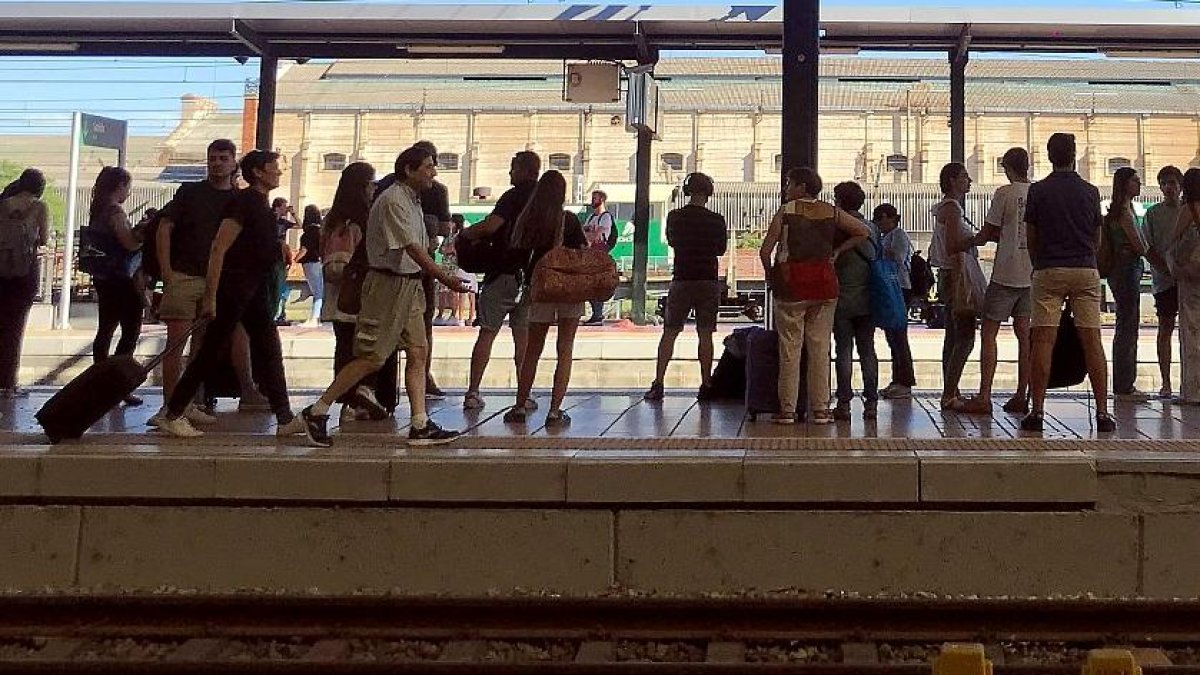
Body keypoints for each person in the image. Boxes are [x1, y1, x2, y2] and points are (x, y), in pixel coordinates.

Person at [298, 146, 470, 447]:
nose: (434, 172)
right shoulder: (393, 201)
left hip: (409, 284)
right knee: (372, 358)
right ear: (409, 170)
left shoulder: (411, 199)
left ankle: (420, 424)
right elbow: (413, 248)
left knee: (418, 352)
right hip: (388, 285)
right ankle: (317, 410)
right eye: (428, 166)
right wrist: (444, 277)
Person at [155, 150, 305, 439]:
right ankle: (172, 412)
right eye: (274, 167)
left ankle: (284, 416)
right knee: (210, 351)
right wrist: (211, 296)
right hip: (234, 288)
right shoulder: (245, 202)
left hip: (252, 289)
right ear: (258, 172)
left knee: (268, 349)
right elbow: (219, 247)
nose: (278, 172)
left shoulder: (260, 204)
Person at [153, 139, 267, 428]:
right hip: (186, 274)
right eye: (213, 158)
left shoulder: (239, 199)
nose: (217, 163)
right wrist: (167, 272)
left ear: (233, 162)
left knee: (201, 345)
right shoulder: (190, 193)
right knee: (176, 343)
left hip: (219, 280)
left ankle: (188, 401)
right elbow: (164, 227)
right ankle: (170, 404)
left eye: (223, 158)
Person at [759, 167, 870, 425]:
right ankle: (820, 409)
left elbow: (765, 251)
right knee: (820, 349)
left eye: (790, 183)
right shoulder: (831, 211)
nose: (786, 188)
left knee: (790, 348)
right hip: (824, 285)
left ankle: (787, 410)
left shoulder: (786, 211)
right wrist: (837, 252)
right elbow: (862, 232)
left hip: (792, 286)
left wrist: (771, 275)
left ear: (802, 187)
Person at [1022, 132, 1115, 432]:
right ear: (1074, 156)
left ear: (1050, 156)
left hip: (1049, 270)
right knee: (1092, 341)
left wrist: (1039, 265)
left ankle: (1037, 411)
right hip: (1085, 270)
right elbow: (1097, 238)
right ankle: (1103, 413)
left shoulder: (1038, 191)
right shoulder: (1090, 192)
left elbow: (1031, 237)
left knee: (1042, 341)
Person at [501, 171, 587, 425]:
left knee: (532, 351)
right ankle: (554, 411)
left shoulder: (529, 220)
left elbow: (518, 254)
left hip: (540, 290)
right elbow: (582, 251)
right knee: (565, 349)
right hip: (568, 290)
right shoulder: (568, 220)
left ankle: (520, 406)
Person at [460, 151, 541, 411]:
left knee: (487, 332)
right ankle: (524, 394)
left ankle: (473, 391)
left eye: (513, 168)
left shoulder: (512, 197)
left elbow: (491, 226)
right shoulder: (544, 198)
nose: (509, 173)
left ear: (525, 170)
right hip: (531, 277)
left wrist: (466, 235)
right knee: (523, 338)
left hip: (503, 273)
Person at [957, 147, 1033, 416]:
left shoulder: (1004, 193)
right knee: (1025, 336)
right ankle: (1022, 395)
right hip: (1030, 275)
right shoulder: (1037, 192)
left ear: (1007, 168)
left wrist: (966, 242)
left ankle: (984, 396)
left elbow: (988, 231)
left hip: (1005, 274)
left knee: (989, 333)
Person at [644, 173, 727, 402]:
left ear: (687, 191)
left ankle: (658, 383)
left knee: (670, 332)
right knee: (705, 334)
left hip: (682, 278)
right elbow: (720, 250)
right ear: (709, 193)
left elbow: (672, 241)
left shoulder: (675, 217)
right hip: (707, 280)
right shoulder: (717, 220)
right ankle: (706, 384)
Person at [318, 161, 376, 423]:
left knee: (346, 349)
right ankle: (353, 401)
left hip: (340, 299)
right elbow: (337, 265)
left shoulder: (334, 220)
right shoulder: (352, 224)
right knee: (356, 351)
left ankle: (350, 400)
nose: (374, 189)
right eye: (371, 184)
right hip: (353, 297)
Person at [85, 166, 144, 406]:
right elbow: (129, 243)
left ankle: (99, 381)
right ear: (120, 186)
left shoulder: (97, 210)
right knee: (131, 330)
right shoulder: (114, 211)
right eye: (128, 187)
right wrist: (143, 233)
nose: (128, 193)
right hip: (121, 278)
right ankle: (119, 384)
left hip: (103, 277)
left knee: (106, 329)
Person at [829, 181, 879, 421]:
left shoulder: (837, 228)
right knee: (868, 350)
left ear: (839, 201)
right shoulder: (873, 228)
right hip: (869, 296)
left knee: (844, 351)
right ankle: (871, 403)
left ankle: (844, 403)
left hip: (842, 298)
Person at [930, 162, 979, 411]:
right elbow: (953, 246)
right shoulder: (952, 208)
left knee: (952, 335)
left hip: (949, 275)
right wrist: (979, 238)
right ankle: (949, 393)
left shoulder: (948, 207)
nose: (969, 181)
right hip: (957, 275)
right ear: (952, 180)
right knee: (965, 336)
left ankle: (951, 390)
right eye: (964, 177)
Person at [0, 169, 49, 399]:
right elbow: (44, 239)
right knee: (15, 328)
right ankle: (9, 383)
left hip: (0, 272)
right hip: (25, 273)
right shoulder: (39, 207)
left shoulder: (2, 204)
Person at [1106, 167, 1151, 401]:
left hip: (1121, 269)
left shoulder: (1124, 209)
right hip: (1126, 270)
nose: (1139, 184)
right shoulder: (1124, 212)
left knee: (1125, 324)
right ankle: (1125, 385)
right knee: (1128, 326)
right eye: (1135, 180)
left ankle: (1124, 383)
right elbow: (1140, 246)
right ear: (1124, 184)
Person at [1144, 166, 1184, 400]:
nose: (1169, 187)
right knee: (1165, 328)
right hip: (1164, 282)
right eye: (1164, 183)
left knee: (1190, 330)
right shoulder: (1153, 214)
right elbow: (1147, 247)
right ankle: (1166, 382)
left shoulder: (1189, 211)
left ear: (1180, 186)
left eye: (1172, 183)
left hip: (1188, 279)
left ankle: (1190, 380)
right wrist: (1165, 270)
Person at [874, 203, 916, 399]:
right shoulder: (886, 236)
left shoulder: (898, 235)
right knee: (892, 336)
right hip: (890, 287)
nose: (879, 224)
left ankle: (905, 381)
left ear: (888, 217)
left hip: (899, 287)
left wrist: (881, 250)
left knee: (899, 335)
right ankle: (897, 379)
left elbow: (898, 258)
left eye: (880, 219)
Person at [1170, 168, 1200, 404]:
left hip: (1191, 275)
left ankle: (1192, 391)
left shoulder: (1189, 209)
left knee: (1191, 332)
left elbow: (1173, 239)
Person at [582, 189, 616, 325]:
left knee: (595, 283)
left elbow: (596, 236)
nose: (592, 201)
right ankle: (596, 313)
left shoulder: (605, 217)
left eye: (594, 198)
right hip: (589, 253)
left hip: (598, 254)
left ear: (601, 200)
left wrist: (590, 233)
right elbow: (584, 233)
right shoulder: (591, 217)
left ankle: (598, 314)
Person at [294, 204, 324, 326]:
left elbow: (304, 249)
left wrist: (295, 259)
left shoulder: (308, 233)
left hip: (309, 263)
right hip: (318, 262)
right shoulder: (321, 231)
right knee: (319, 291)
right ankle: (316, 318)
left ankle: (314, 319)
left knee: (318, 293)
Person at [270, 197, 295, 326]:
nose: (286, 209)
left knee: (280, 286)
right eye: (285, 206)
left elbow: (300, 225)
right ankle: (273, 314)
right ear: (278, 207)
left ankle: (277, 314)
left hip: (281, 257)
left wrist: (293, 214)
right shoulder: (269, 219)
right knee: (273, 286)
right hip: (271, 256)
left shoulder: (283, 222)